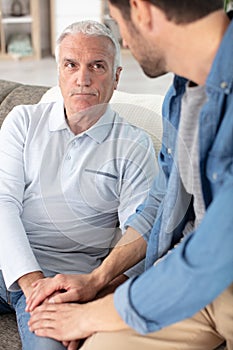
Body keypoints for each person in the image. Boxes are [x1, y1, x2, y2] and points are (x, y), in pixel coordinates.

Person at [28, 1, 233, 349]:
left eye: (116, 18)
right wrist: (98, 279)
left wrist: (93, 314)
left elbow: (217, 250)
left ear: (140, 10)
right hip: (187, 288)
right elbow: (160, 204)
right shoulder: (182, 94)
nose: (122, 37)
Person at [0, 20, 157, 350]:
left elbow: (142, 237)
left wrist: (96, 295)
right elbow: (3, 203)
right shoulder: (23, 121)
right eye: (71, 65)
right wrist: (33, 285)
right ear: (59, 71)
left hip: (67, 283)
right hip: (8, 265)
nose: (82, 79)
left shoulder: (134, 145)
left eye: (97, 66)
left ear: (115, 77)